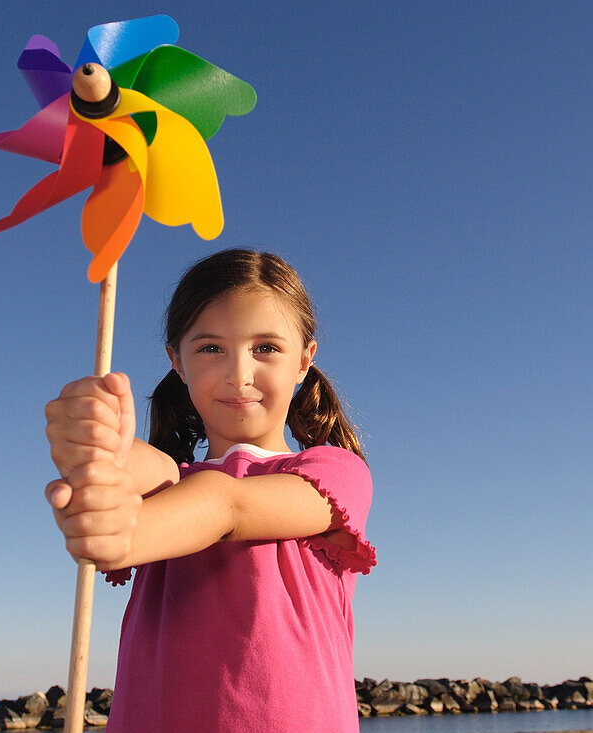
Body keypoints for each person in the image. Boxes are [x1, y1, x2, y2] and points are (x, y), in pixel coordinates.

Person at [43, 249, 376, 732]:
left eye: (266, 348)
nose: (239, 374)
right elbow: (144, 469)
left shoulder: (335, 473)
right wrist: (91, 438)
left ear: (305, 360)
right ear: (176, 362)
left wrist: (129, 531)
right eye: (210, 348)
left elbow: (227, 505)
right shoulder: (171, 479)